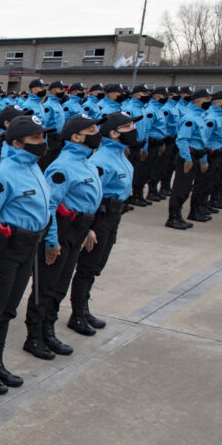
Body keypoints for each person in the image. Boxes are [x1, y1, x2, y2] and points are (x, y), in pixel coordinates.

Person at [0, 115, 57, 395]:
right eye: (35, 138)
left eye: (42, 137)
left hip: (28, 248)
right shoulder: (3, 174)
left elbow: (47, 206)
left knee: (8, 309)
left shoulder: (35, 168)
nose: (42, 142)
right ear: (17, 143)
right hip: (5, 250)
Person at [23, 113, 103, 360]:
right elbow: (50, 206)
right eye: (90, 132)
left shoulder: (87, 162)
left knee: (60, 284)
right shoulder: (61, 166)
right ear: (76, 137)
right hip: (61, 230)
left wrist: (88, 228)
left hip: (78, 229)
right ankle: (34, 336)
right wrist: (52, 240)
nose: (96, 135)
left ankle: (49, 329)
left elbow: (87, 201)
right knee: (46, 286)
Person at [68, 111, 138, 336]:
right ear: (115, 133)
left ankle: (84, 309)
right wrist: (88, 227)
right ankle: (77, 313)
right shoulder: (101, 159)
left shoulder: (119, 154)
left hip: (114, 215)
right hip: (100, 217)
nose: (133, 130)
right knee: (88, 265)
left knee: (97, 265)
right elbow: (90, 196)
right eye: (128, 127)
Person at [166, 88, 213, 228]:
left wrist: (203, 160)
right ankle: (173, 217)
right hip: (188, 157)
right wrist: (187, 159)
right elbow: (182, 140)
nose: (209, 103)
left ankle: (178, 216)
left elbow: (202, 141)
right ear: (198, 100)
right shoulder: (190, 118)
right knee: (181, 188)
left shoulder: (201, 116)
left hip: (197, 155)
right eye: (207, 100)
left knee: (187, 188)